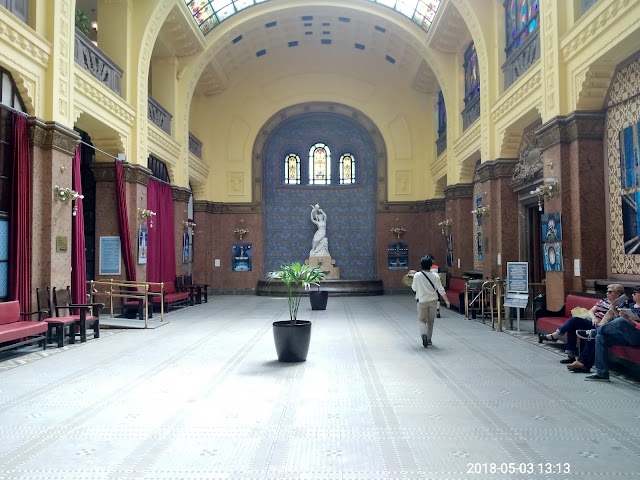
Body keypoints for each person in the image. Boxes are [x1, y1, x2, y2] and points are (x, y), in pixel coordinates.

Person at [538, 284, 625, 370]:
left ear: (618, 293)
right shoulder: (603, 300)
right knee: (573, 325)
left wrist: (613, 309)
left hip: (602, 326)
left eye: (610, 292)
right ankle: (571, 355)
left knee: (574, 321)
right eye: (607, 291)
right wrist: (594, 318)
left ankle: (557, 335)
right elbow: (590, 311)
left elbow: (619, 320)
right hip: (592, 321)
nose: (607, 294)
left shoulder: (621, 304)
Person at [577, 286, 640, 382]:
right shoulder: (631, 304)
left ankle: (593, 332)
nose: (632, 295)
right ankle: (602, 373)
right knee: (601, 337)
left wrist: (629, 319)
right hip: (627, 335)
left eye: (635, 293)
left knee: (620, 321)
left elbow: (630, 324)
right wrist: (615, 310)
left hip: (637, 337)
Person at [410, 255, 450, 348]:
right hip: (433, 301)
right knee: (430, 321)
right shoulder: (435, 275)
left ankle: (423, 334)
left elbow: (414, 288)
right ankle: (429, 339)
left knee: (422, 320)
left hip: (422, 301)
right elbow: (440, 289)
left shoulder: (417, 275)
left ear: (421, 265)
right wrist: (447, 301)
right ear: (431, 265)